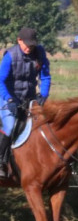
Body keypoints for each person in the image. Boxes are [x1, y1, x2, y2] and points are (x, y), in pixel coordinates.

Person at [0, 27, 51, 178]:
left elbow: (46, 76)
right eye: (27, 45)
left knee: (44, 124)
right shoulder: (10, 56)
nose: (30, 48)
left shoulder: (39, 52)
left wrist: (43, 94)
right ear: (19, 40)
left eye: (32, 45)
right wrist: (9, 99)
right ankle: (1, 161)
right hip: (6, 97)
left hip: (30, 98)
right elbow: (0, 81)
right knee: (10, 126)